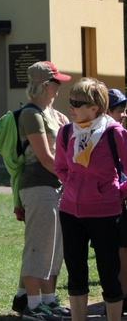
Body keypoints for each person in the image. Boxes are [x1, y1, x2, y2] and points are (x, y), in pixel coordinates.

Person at [55, 77, 127, 321]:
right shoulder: (66, 132)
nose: (70, 107)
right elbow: (61, 168)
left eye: (76, 102)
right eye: (70, 101)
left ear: (94, 108)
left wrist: (118, 191)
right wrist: (73, 186)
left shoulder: (114, 132)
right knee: (75, 274)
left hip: (105, 213)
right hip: (70, 212)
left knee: (109, 273)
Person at [14, 61, 71, 319]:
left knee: (54, 246)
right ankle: (33, 304)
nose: (60, 87)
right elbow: (47, 158)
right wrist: (72, 178)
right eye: (56, 82)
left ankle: (49, 300)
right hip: (38, 185)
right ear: (45, 84)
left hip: (55, 186)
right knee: (38, 245)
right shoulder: (31, 114)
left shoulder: (53, 114)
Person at [107, 88, 127, 314]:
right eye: (120, 110)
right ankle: (119, 297)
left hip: (119, 197)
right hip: (111, 201)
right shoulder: (104, 134)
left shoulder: (120, 133)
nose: (123, 114)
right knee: (119, 250)